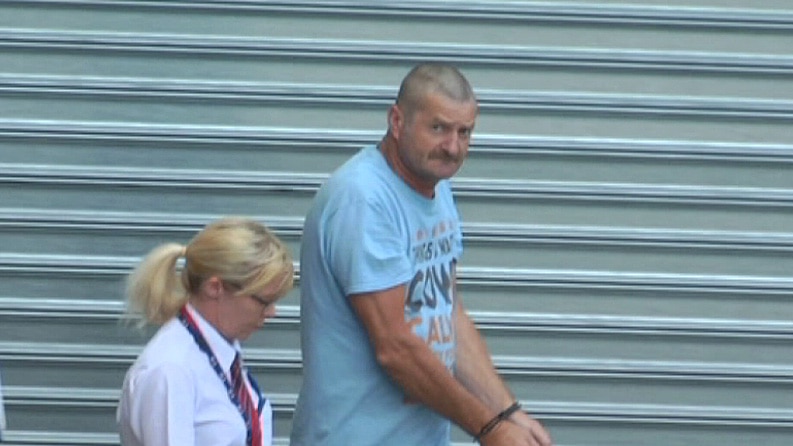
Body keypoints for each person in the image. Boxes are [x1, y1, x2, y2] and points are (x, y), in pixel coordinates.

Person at [290, 64, 553, 446]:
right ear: (396, 121)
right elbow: (396, 347)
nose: (453, 147)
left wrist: (507, 413)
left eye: (465, 132)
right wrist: (489, 429)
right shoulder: (364, 200)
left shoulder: (436, 187)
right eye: (439, 128)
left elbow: (446, 313)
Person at [116, 217, 294, 446]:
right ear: (215, 287)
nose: (272, 312)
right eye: (264, 301)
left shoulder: (222, 355)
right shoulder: (170, 371)